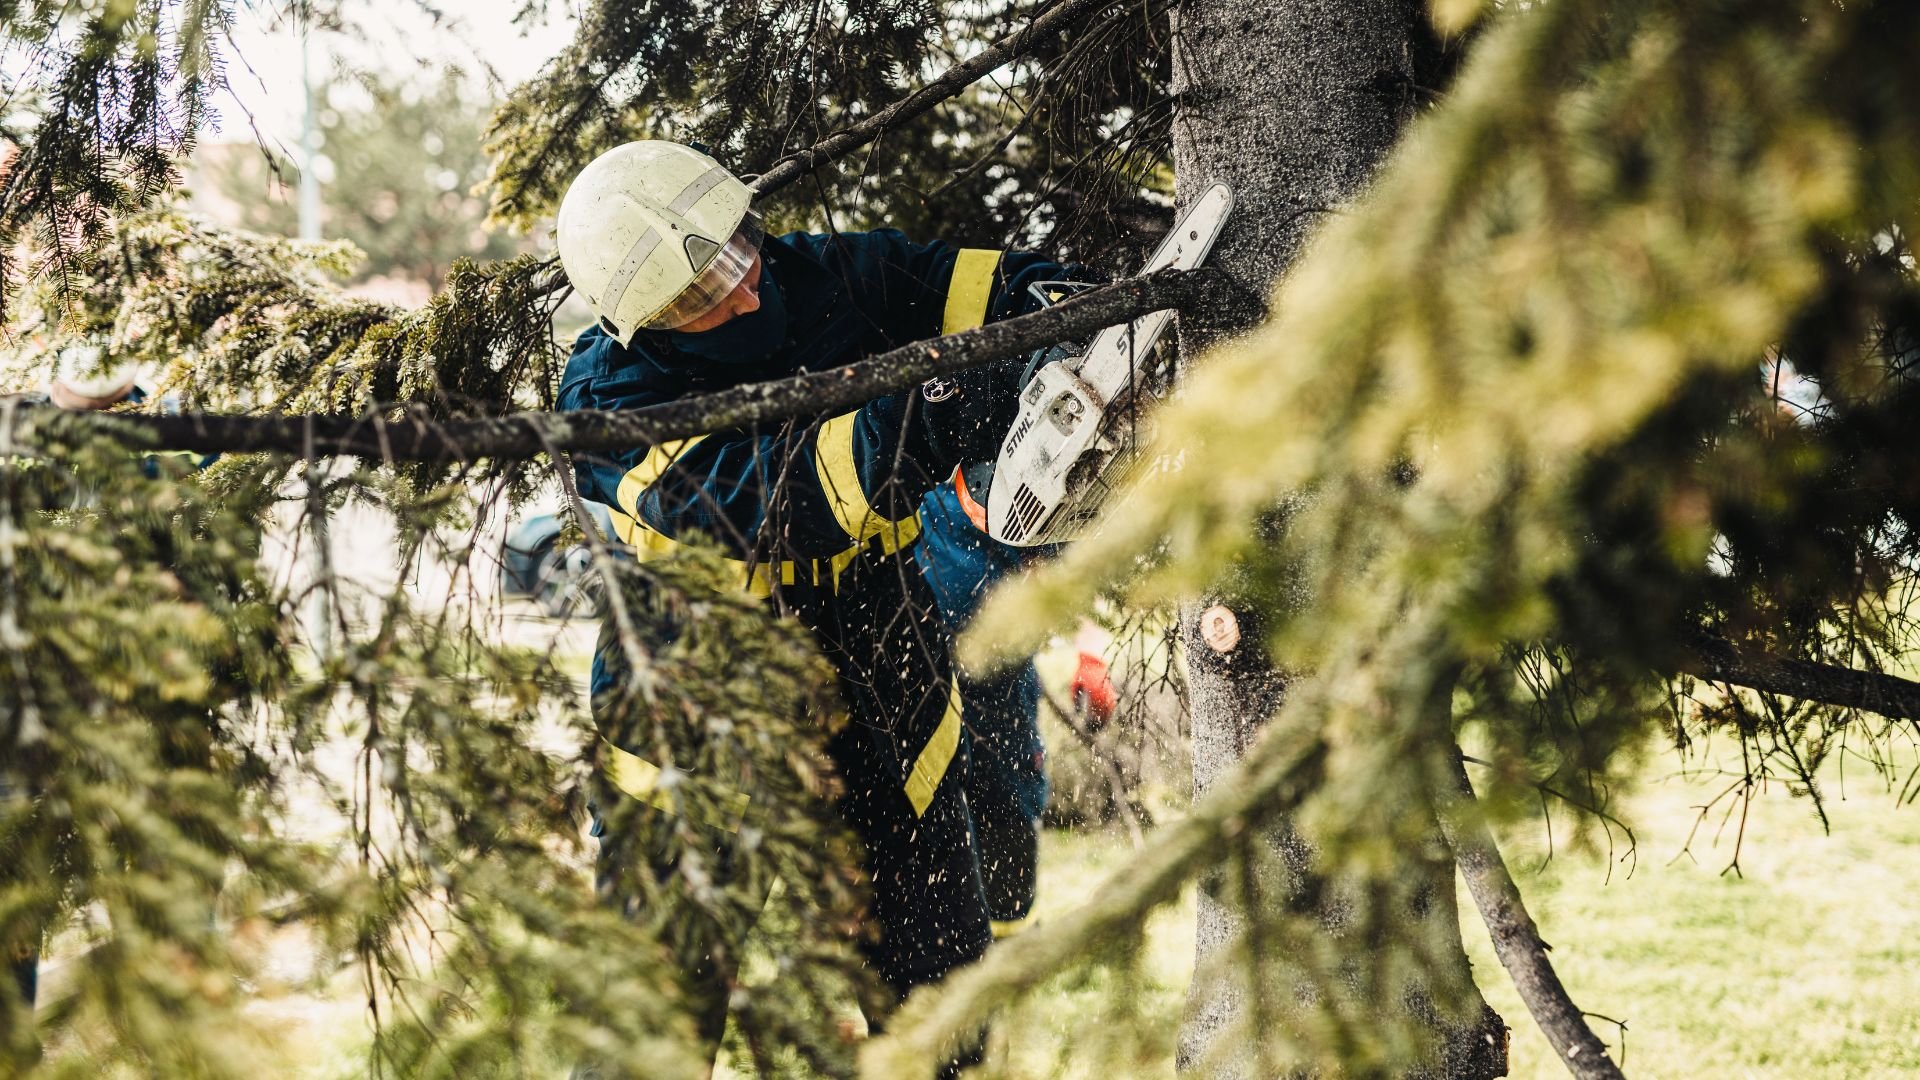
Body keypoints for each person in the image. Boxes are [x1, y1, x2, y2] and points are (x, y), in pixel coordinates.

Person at [554, 140, 1092, 1069]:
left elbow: (983, 287)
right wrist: (924, 411)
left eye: (733, 252)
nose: (741, 294)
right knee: (649, 1038)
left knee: (939, 1015)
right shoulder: (606, 402)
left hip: (888, 680)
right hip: (702, 729)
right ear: (639, 322)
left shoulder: (835, 274)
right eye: (696, 296)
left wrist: (1054, 313)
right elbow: (772, 506)